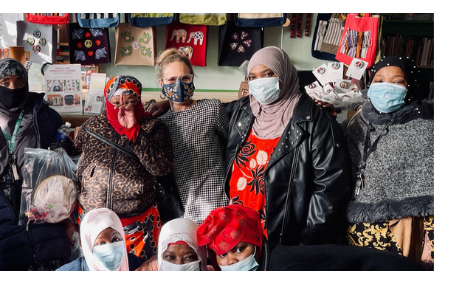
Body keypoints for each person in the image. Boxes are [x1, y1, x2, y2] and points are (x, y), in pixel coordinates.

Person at [224, 46, 352, 247]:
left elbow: (331, 185)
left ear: (285, 73)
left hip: (286, 236)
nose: (260, 83)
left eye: (268, 74)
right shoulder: (243, 110)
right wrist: (162, 105)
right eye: (253, 77)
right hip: (240, 232)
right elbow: (206, 111)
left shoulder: (315, 119)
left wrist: (309, 238)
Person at [0, 58, 73, 270]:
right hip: (1, 223)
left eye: (19, 81)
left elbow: (65, 168)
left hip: (46, 220)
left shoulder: (45, 117)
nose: (13, 87)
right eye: (5, 82)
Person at [343, 56, 434, 269]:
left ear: (410, 85)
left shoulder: (428, 125)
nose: (386, 87)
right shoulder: (356, 123)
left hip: (410, 227)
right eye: (379, 80)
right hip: (359, 227)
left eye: (397, 82)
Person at [74, 75, 174, 261]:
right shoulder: (92, 126)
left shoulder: (153, 126)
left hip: (137, 227)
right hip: (93, 225)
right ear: (107, 101)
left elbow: (161, 167)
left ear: (139, 100)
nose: (123, 108)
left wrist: (134, 131)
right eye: (116, 102)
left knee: (136, 270)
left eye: (130, 101)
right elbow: (76, 158)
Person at [197, 205, 424, 271]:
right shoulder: (267, 260)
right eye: (222, 254)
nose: (232, 261)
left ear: (257, 243)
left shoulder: (286, 268)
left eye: (239, 249)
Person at [148, 49, 231, 225]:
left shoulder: (212, 109)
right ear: (161, 83)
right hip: (183, 212)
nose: (178, 85)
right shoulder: (160, 123)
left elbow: (230, 148)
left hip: (219, 206)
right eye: (171, 80)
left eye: (185, 78)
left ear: (192, 78)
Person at [57, 208, 145, 271]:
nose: (110, 249)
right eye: (101, 243)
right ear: (88, 246)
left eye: (116, 240)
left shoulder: (136, 265)